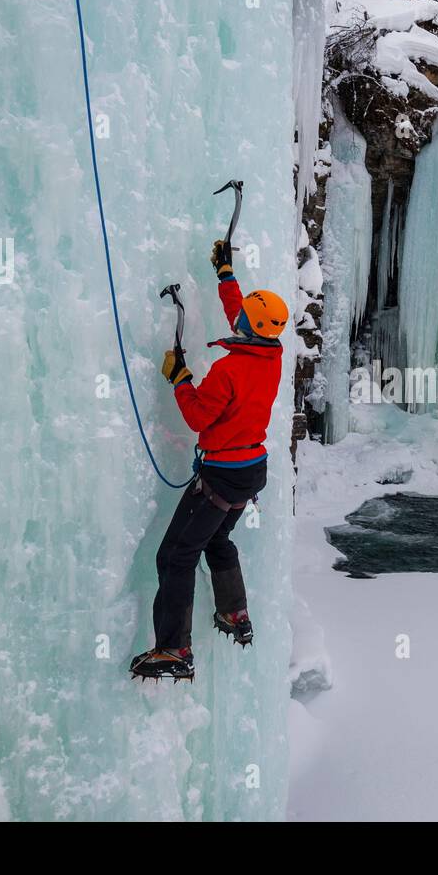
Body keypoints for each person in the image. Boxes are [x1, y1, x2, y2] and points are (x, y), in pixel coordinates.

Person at [130, 240, 288, 681]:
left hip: (220, 478)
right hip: (249, 474)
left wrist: (180, 378)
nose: (234, 319)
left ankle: (174, 649)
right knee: (217, 541)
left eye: (241, 318)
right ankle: (234, 613)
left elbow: (199, 418)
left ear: (249, 327)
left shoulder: (228, 371)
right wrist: (225, 274)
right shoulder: (271, 355)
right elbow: (243, 314)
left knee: (175, 557)